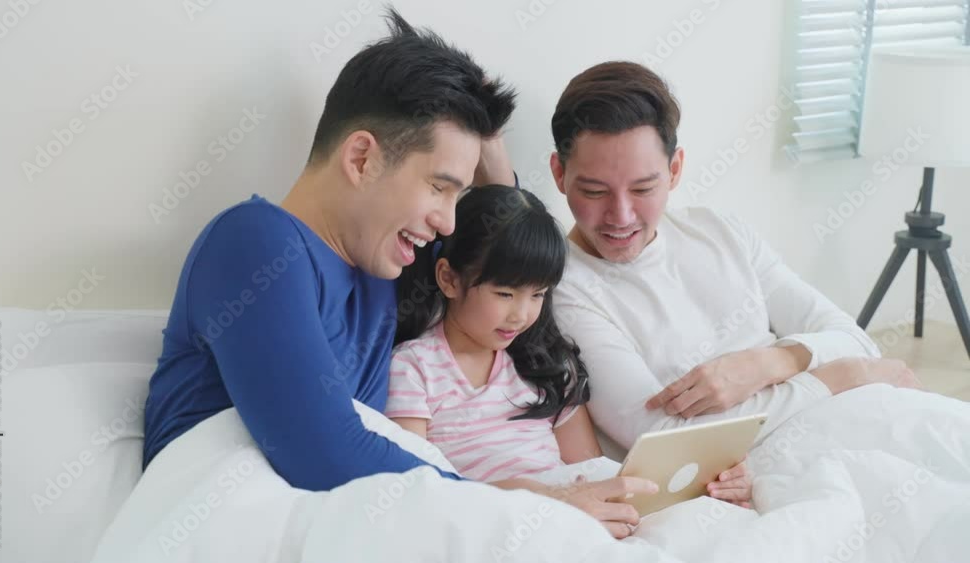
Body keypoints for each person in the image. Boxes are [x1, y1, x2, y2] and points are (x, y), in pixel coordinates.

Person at [140, 10, 653, 534]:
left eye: (459, 192)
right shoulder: (254, 242)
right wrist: (527, 504)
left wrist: (486, 134)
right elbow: (322, 451)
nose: (447, 220)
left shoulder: (387, 262)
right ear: (362, 158)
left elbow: (509, 247)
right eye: (439, 186)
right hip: (230, 517)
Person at [541, 61, 920, 452]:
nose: (621, 216)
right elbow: (662, 439)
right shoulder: (562, 290)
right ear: (559, 174)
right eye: (594, 192)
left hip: (847, 415)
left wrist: (768, 364)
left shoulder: (718, 230)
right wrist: (839, 377)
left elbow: (856, 341)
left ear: (675, 170)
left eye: (642, 189)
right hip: (770, 455)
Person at [387, 185, 753, 538]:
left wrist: (705, 485)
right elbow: (423, 491)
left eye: (537, 294)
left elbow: (589, 469)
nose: (521, 315)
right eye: (505, 293)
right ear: (449, 279)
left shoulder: (545, 365)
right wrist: (541, 498)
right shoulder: (414, 368)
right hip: (499, 524)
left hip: (573, 521)